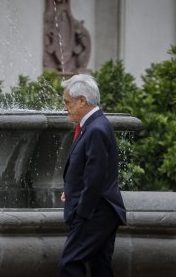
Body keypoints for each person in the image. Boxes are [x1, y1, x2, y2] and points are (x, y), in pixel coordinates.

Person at [59, 74, 126, 277]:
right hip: (101, 210)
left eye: (67, 102)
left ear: (82, 101)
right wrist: (71, 192)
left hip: (95, 211)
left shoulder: (96, 128)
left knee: (70, 263)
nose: (65, 108)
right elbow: (90, 171)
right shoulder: (95, 125)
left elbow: (96, 177)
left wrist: (81, 212)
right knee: (100, 266)